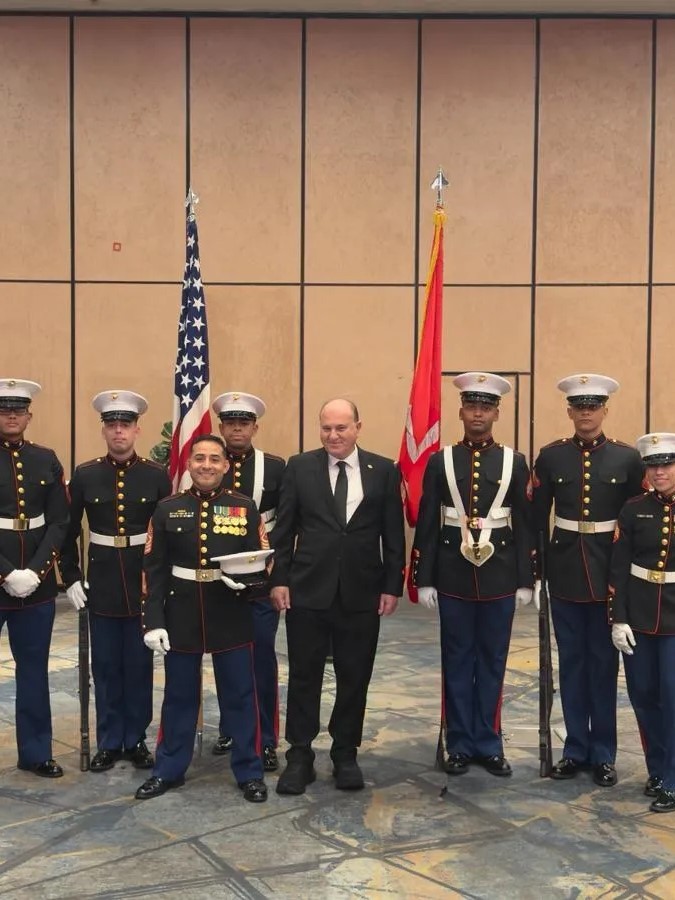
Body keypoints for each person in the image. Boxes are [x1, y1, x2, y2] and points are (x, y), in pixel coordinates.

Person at [270, 399, 405, 795]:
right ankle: (300, 755)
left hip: (362, 592)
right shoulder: (299, 467)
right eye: (326, 428)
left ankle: (345, 753)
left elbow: (393, 534)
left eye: (341, 428)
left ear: (358, 427)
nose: (333, 435)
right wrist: (279, 579)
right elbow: (283, 530)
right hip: (308, 589)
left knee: (354, 675)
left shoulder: (382, 470)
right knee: (304, 674)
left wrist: (391, 585)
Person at [137, 434, 271, 803]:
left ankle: (249, 771)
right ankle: (168, 770)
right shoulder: (167, 508)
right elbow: (154, 568)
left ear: (226, 465)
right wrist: (153, 620)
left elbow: (262, 559)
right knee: (179, 697)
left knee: (241, 696)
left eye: (215, 459)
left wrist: (248, 583)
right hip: (181, 613)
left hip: (229, 610)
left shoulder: (244, 508)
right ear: (189, 463)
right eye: (200, 458)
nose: (207, 465)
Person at [412, 372, 534, 778]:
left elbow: (526, 524)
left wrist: (525, 579)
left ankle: (489, 741)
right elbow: (428, 521)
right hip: (453, 576)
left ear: (497, 412)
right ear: (461, 411)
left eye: (486, 406)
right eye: (471, 406)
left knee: (494, 661)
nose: (478, 413)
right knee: (457, 660)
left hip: (499, 577)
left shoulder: (515, 462)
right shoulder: (440, 461)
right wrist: (423, 577)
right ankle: (460, 742)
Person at [532, 374, 643, 787]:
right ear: (569, 411)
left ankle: (604, 754)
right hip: (563, 574)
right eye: (579, 407)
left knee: (603, 666)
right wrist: (536, 572)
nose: (586, 413)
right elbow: (536, 518)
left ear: (604, 410)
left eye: (593, 406)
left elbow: (634, 520)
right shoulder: (551, 456)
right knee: (572, 665)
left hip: (609, 574)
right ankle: (575, 748)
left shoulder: (627, 459)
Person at [60, 390, 172, 773]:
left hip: (142, 579)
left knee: (139, 665)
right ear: (104, 430)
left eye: (125, 425)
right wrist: (72, 576)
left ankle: (136, 738)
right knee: (106, 666)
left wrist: (163, 584)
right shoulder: (86, 474)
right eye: (112, 425)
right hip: (103, 580)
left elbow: (166, 533)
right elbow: (68, 528)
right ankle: (109, 740)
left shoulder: (156, 476)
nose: (119, 431)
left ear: (137, 430)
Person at [210, 391, 285, 772]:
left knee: (260, 662)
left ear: (255, 427)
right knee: (226, 658)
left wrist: (278, 578)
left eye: (244, 422)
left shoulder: (274, 468)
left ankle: (266, 738)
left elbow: (285, 527)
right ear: (221, 427)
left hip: (260, 581)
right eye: (230, 422)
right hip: (217, 584)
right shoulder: (210, 463)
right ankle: (231, 727)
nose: (237, 428)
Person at [0, 378, 69, 777]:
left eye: (18, 409)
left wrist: (35, 572)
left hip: (36, 583)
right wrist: (7, 573)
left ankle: (36, 751)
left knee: (33, 670)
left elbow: (59, 522)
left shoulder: (46, 459)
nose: (12, 415)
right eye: (5, 409)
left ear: (29, 415)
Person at [610, 432, 675, 812]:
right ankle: (658, 770)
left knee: (672, 698)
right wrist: (618, 618)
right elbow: (619, 567)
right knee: (644, 696)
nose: (660, 472)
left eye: (667, 464)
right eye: (653, 465)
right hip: (639, 616)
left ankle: (672, 777)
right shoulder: (634, 509)